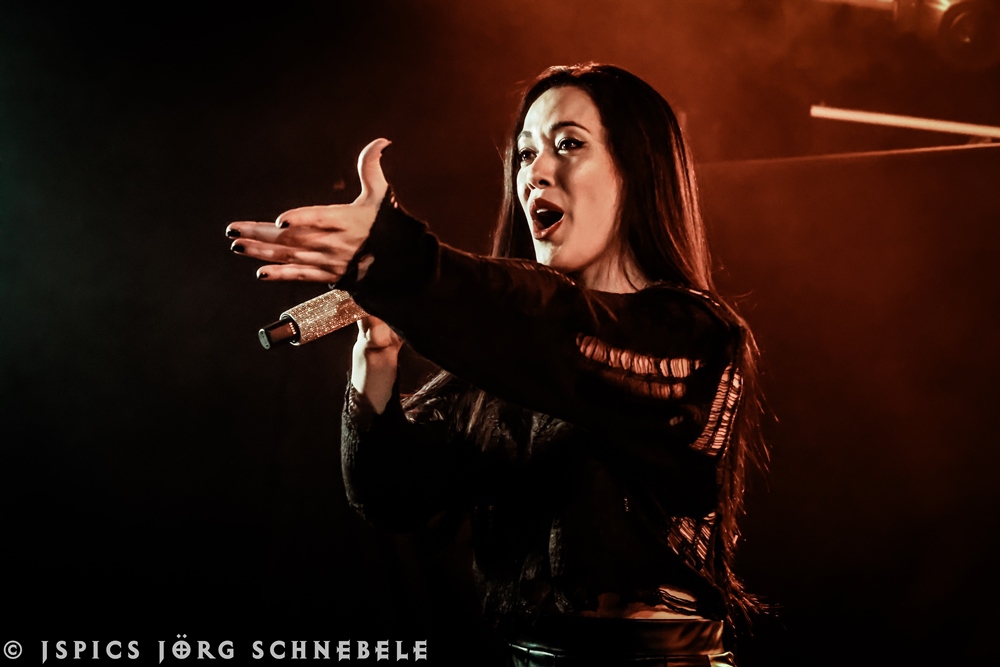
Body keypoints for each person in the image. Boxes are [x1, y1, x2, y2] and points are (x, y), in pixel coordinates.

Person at [226, 62, 769, 666]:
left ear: (638, 169)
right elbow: (390, 496)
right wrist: (377, 355)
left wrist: (399, 261)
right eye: (525, 153)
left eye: (568, 145)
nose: (535, 171)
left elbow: (559, 326)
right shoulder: (512, 359)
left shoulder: (696, 337)